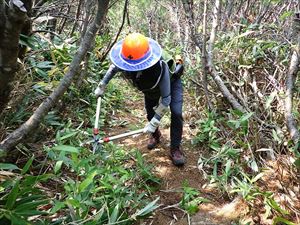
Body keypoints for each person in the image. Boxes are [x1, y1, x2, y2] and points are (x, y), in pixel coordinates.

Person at [94, 32, 185, 166]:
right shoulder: (126, 59)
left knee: (176, 113)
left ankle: (175, 148)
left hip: (170, 83)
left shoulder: (159, 66)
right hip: (149, 88)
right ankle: (155, 135)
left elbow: (166, 99)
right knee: (150, 113)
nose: (132, 66)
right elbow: (114, 68)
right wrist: (102, 85)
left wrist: (155, 122)